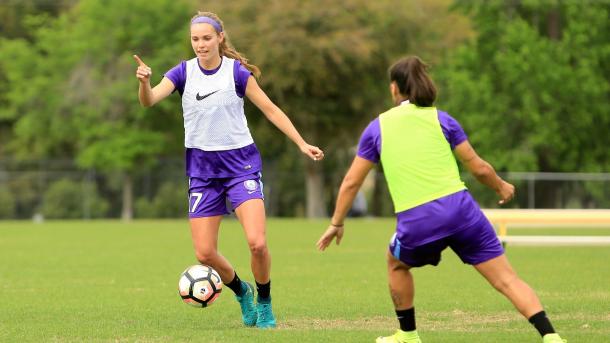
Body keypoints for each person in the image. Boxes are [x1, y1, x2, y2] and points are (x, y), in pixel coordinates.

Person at [316, 56, 565, 343]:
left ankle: (407, 335)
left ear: (394, 89)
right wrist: (501, 187)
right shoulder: (442, 119)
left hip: (419, 219)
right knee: (507, 279)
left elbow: (351, 182)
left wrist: (337, 222)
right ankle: (551, 336)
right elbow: (479, 168)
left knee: (395, 262)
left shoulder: (377, 128)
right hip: (462, 212)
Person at [135, 11, 324, 329]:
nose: (200, 44)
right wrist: (144, 83)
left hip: (241, 166)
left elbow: (270, 109)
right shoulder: (183, 73)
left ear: (220, 38)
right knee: (205, 253)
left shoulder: (236, 73)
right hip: (202, 171)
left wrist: (301, 143)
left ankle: (264, 303)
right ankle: (242, 290)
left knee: (257, 243)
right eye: (195, 39)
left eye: (207, 38)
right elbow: (149, 101)